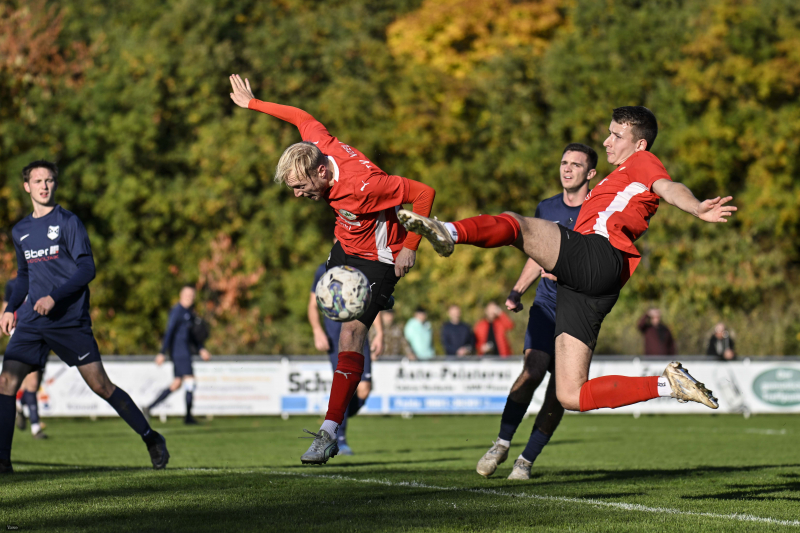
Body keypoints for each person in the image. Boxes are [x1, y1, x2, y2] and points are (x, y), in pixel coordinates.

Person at [400, 106, 735, 416]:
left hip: (598, 255)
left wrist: (695, 207)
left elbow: (669, 186)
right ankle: (666, 384)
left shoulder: (642, 162)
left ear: (640, 144)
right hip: (595, 283)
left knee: (518, 225)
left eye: (617, 135)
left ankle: (449, 232)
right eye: (609, 132)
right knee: (571, 395)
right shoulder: (617, 177)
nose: (607, 141)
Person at [229, 74, 436, 464]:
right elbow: (299, 115)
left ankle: (328, 433)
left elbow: (424, 193)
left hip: (379, 257)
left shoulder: (365, 185)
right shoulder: (318, 145)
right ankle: (372, 316)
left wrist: (410, 246)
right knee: (338, 323)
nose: (296, 194)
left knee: (350, 334)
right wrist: (254, 104)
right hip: (344, 246)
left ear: (322, 172)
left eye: (300, 186)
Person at [0, 160, 169, 474]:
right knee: (7, 382)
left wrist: (55, 297)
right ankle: (3, 462)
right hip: (32, 320)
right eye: (37, 181)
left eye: (49, 180)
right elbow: (23, 275)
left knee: (100, 385)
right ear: (27, 187)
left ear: (55, 184)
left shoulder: (68, 222)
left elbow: (87, 268)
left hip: (68, 320)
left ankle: (151, 437)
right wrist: (11, 307)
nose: (44, 186)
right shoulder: (20, 231)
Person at [477, 143, 597, 480]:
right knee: (532, 370)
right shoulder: (546, 207)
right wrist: (517, 290)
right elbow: (537, 251)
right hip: (546, 303)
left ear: (591, 174)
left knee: (560, 392)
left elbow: (602, 261)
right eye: (564, 162)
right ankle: (500, 443)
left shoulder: (600, 210)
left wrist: (573, 271)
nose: (567, 169)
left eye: (576, 164)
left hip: (581, 309)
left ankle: (525, 461)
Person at [309, 260, 383, 455]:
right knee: (346, 384)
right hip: (336, 338)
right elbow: (312, 304)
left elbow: (373, 300)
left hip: (360, 334)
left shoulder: (362, 267)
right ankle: (339, 438)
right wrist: (317, 330)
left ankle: (331, 422)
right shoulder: (322, 269)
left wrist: (380, 332)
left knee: (364, 390)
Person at [143, 285, 211, 425]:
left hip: (184, 351)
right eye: (187, 294)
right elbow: (170, 332)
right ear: (181, 295)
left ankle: (148, 408)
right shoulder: (177, 311)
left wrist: (201, 348)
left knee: (176, 384)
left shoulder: (190, 313)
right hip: (180, 353)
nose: (189, 297)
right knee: (190, 381)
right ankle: (188, 417)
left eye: (192, 295)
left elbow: (192, 336)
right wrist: (162, 352)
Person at [2, 277, 48, 439]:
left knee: (34, 383)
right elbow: (5, 307)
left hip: (44, 332)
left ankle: (20, 405)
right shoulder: (13, 284)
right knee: (32, 381)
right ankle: (36, 427)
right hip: (22, 333)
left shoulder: (45, 278)